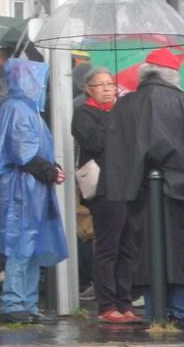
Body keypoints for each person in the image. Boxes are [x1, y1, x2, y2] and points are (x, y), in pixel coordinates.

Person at [104, 48, 184, 321]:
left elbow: (114, 151)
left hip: (136, 192)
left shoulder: (124, 104)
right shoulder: (178, 100)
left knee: (147, 253)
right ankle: (177, 309)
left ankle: (154, 311)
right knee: (177, 252)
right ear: (171, 75)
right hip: (176, 189)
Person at [0, 58, 67, 325]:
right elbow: (24, 153)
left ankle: (26, 303)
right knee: (22, 246)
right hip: (21, 191)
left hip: (30, 190)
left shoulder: (23, 108)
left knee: (29, 247)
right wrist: (51, 171)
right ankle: (14, 303)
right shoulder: (19, 109)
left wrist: (51, 169)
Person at [71, 65, 139, 324]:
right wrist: (115, 125)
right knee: (108, 247)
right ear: (88, 89)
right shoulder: (83, 114)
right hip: (104, 188)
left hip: (127, 186)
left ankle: (125, 301)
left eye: (110, 84)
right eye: (101, 85)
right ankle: (107, 304)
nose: (108, 89)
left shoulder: (121, 112)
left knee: (127, 247)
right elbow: (95, 142)